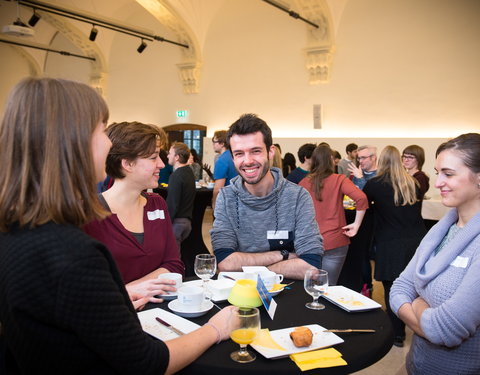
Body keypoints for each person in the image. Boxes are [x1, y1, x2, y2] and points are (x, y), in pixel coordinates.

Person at [0, 77, 237, 375]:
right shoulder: (72, 252)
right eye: (102, 129)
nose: (109, 141)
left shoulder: (17, 231)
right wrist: (217, 328)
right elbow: (146, 363)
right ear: (72, 142)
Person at [390, 133, 480, 374]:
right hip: (417, 364)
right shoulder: (442, 229)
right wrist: (427, 312)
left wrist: (417, 303)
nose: (438, 182)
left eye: (448, 174)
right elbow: (398, 289)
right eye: (438, 172)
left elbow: (445, 329)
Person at [211, 114, 323, 280]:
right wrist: (283, 255)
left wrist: (248, 266)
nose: (247, 161)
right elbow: (225, 263)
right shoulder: (226, 198)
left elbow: (311, 266)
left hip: (289, 296)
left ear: (271, 152)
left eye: (255, 151)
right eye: (239, 153)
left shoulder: (298, 196)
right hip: (240, 297)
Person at [83, 121, 184, 302]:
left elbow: (174, 265)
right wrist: (127, 292)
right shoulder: (88, 214)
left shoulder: (157, 204)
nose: (161, 164)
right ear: (128, 164)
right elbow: (83, 286)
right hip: (114, 317)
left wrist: (137, 288)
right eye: (153, 158)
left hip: (160, 313)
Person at [363, 145, 426, 348]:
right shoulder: (413, 183)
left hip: (390, 242)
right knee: (413, 287)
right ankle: (417, 327)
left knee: (392, 288)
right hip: (416, 240)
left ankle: (396, 334)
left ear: (380, 161)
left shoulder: (374, 184)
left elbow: (363, 208)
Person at [300, 144, 368, 285]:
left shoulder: (303, 183)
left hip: (309, 241)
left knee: (309, 286)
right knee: (329, 286)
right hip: (335, 239)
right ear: (330, 160)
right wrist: (356, 225)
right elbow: (361, 198)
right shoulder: (339, 179)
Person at [167, 142, 196, 251]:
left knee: (174, 259)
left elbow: (173, 204)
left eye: (170, 153)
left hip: (177, 223)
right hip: (187, 222)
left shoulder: (176, 175)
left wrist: (166, 224)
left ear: (177, 157)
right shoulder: (189, 172)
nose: (168, 156)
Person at [211, 130, 237, 210]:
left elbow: (218, 188)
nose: (213, 145)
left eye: (214, 142)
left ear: (222, 144)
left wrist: (214, 203)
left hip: (226, 202)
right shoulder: (234, 156)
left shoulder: (222, 160)